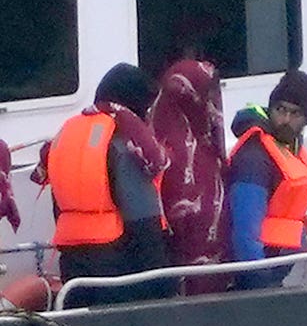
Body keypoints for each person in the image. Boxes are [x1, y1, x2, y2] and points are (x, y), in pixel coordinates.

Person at [35, 63, 172, 306]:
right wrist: (163, 281)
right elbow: (142, 218)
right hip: (118, 268)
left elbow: (58, 206)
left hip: (72, 265)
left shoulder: (66, 133)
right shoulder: (123, 138)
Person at [226, 69, 307, 290]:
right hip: (256, 280)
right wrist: (261, 286)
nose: (285, 120)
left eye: (295, 113)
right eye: (280, 110)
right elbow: (245, 234)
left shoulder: (289, 147)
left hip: (276, 268)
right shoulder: (255, 157)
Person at [151, 57, 229, 294]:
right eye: (208, 95)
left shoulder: (155, 140)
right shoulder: (188, 153)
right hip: (198, 272)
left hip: (175, 268)